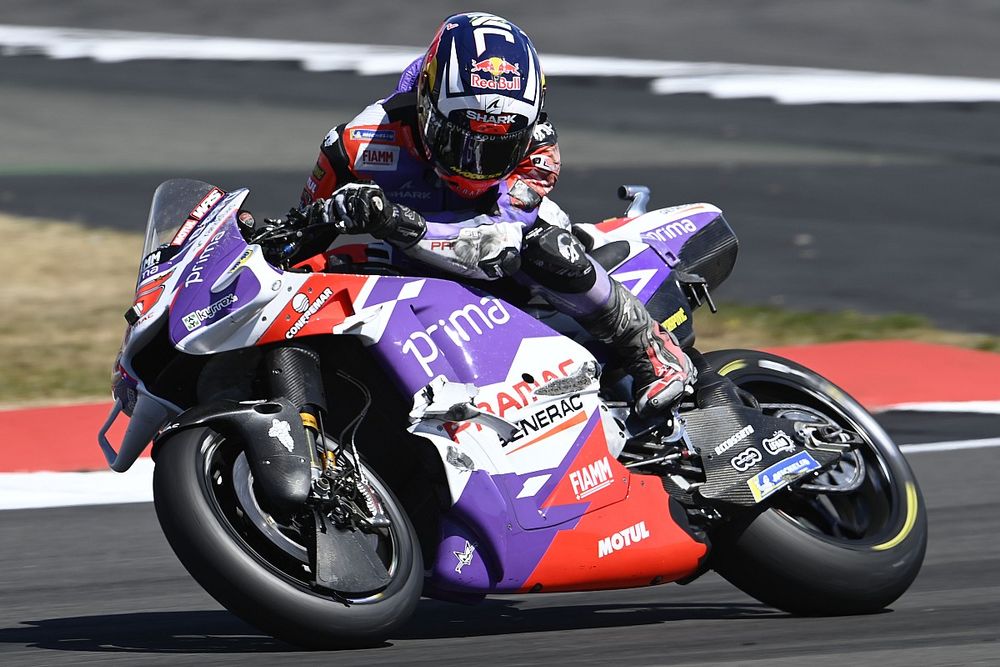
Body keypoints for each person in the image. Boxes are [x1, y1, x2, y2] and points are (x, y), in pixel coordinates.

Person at [295, 11, 694, 416]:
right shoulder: (358, 144)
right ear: (427, 104)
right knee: (329, 271)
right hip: (410, 265)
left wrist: (393, 220)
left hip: (510, 267)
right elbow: (302, 232)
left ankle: (651, 348)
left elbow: (493, 243)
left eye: (498, 148)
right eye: (459, 140)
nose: (475, 164)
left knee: (545, 246)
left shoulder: (539, 149)